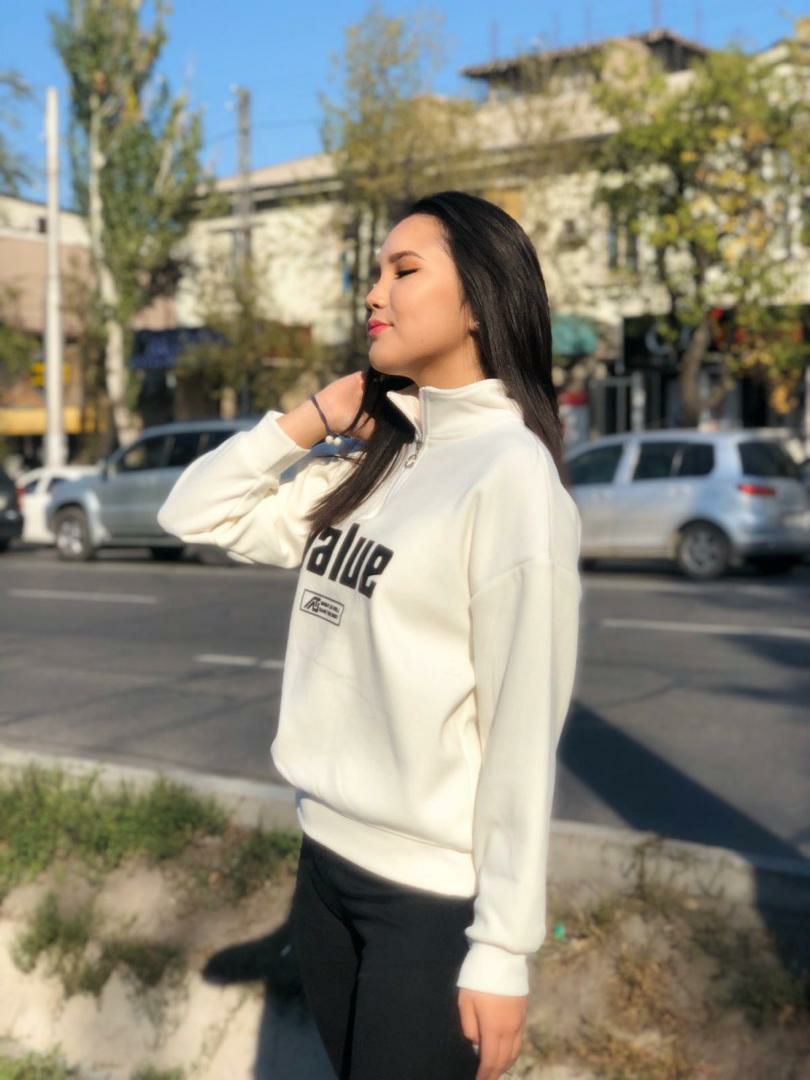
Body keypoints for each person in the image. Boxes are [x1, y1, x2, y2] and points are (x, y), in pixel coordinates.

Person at [158, 191, 582, 1080]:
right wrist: (314, 416)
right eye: (375, 271)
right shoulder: (379, 458)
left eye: (404, 270)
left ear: (478, 302)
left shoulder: (510, 474)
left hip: (425, 905)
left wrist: (503, 947)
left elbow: (520, 730)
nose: (374, 291)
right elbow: (191, 512)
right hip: (324, 869)